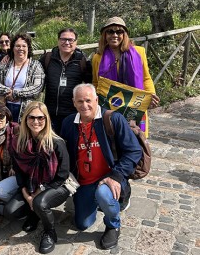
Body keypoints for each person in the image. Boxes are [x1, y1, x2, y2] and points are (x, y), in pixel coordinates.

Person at [61, 84, 142, 250]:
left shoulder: (113, 119)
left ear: (97, 100)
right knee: (82, 223)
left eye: (89, 100)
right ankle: (99, 201)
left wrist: (117, 176)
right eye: (80, 101)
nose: (85, 105)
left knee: (104, 194)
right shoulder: (69, 123)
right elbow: (62, 152)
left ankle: (113, 224)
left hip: (108, 178)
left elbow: (134, 151)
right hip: (84, 182)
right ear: (74, 103)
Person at [2, 102, 70, 254]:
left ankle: (49, 233)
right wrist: (27, 196)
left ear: (46, 120)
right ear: (25, 119)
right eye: (31, 117)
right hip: (30, 184)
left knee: (40, 202)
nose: (36, 121)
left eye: (40, 118)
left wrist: (39, 192)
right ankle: (35, 212)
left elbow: (63, 175)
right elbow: (19, 173)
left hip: (57, 185)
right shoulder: (18, 142)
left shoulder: (57, 143)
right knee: (10, 211)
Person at [92, 17, 159, 137]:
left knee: (138, 139)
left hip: (135, 105)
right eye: (110, 31)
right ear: (105, 35)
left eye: (119, 31)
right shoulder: (98, 57)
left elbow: (146, 78)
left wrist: (150, 95)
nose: (115, 35)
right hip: (110, 106)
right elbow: (96, 83)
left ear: (125, 34)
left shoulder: (139, 52)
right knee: (114, 139)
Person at [39, 28, 92, 136]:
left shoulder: (83, 61)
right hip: (49, 113)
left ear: (76, 42)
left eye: (70, 40)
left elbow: (91, 85)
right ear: (58, 40)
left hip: (72, 115)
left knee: (70, 147)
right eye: (63, 39)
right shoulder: (48, 58)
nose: (67, 42)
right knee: (50, 146)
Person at [0, 33, 45, 122]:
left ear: (28, 48)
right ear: (13, 48)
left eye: (24, 46)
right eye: (17, 46)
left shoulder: (36, 65)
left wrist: (16, 93)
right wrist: (7, 91)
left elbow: (37, 88)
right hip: (5, 107)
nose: (20, 48)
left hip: (26, 110)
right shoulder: (5, 64)